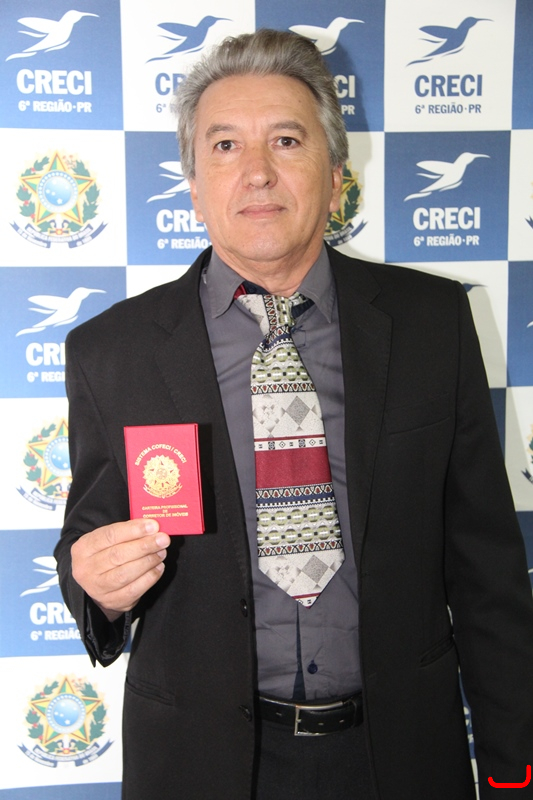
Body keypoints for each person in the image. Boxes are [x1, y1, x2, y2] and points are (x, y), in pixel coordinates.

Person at [55, 29, 533, 800]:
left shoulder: (432, 324)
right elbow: (88, 538)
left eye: (285, 140)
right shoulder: (112, 350)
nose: (257, 171)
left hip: (399, 756)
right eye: (224, 146)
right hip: (199, 764)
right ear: (192, 184)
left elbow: (487, 574)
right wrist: (99, 589)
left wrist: (513, 774)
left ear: (336, 174)